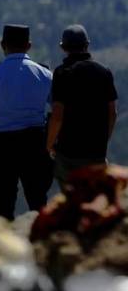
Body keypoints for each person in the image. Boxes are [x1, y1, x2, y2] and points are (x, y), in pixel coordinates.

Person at [0, 24, 53, 221]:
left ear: (2, 45)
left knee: (2, 205)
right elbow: (58, 110)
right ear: (29, 45)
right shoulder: (45, 74)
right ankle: (40, 245)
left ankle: (3, 247)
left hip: (2, 145)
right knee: (38, 201)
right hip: (35, 142)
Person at [47, 24, 118, 187]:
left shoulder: (61, 73)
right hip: (96, 153)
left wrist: (49, 144)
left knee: (71, 201)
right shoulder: (104, 72)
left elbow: (57, 115)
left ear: (63, 48)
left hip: (67, 152)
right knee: (94, 200)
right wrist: (102, 140)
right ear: (87, 45)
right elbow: (112, 113)